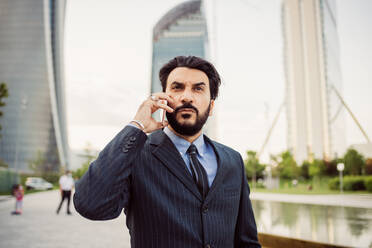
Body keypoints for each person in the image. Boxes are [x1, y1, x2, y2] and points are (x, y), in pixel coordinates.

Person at [74, 56, 261, 247]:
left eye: (198, 88)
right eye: (177, 87)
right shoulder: (137, 155)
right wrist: (136, 126)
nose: (187, 96)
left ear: (211, 106)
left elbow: (246, 240)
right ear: (162, 98)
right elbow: (91, 205)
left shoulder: (233, 160)